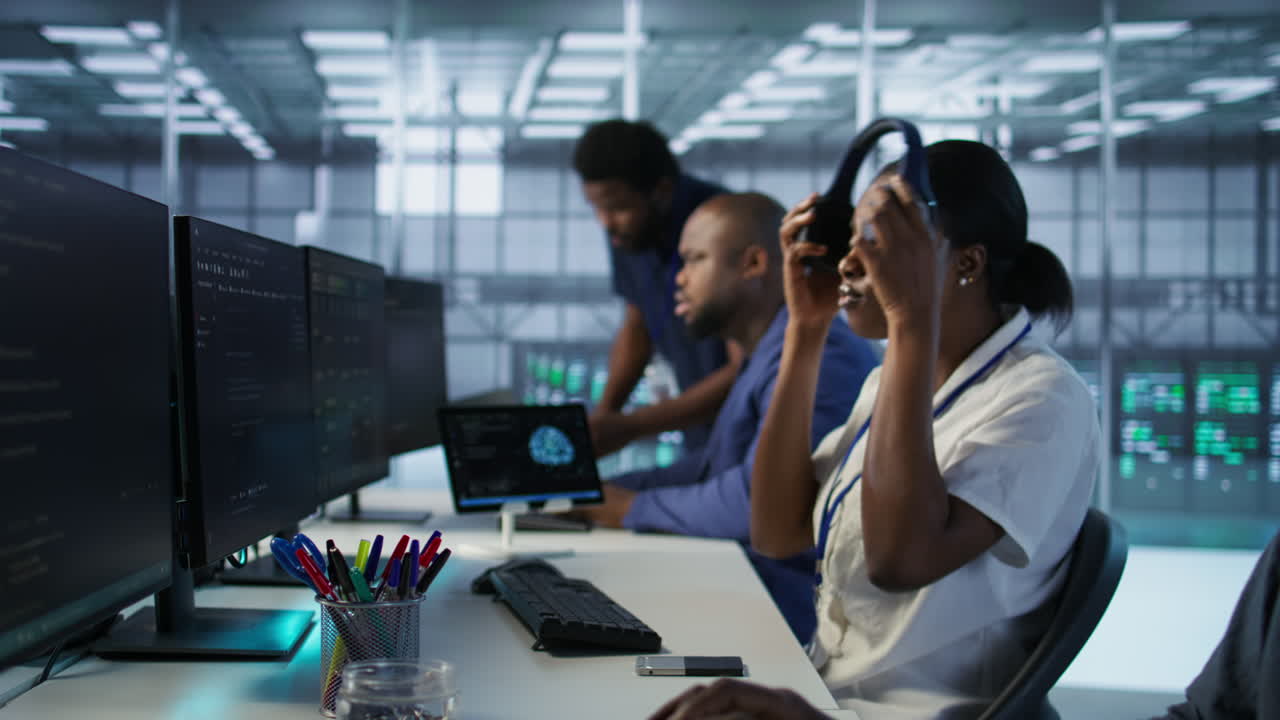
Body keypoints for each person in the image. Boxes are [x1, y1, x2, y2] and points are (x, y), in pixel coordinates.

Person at [650, 139, 1099, 720]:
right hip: (829, 696)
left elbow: (899, 560)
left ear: (966, 264)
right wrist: (806, 329)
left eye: (882, 245)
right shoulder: (891, 380)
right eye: (853, 240)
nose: (849, 262)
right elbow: (777, 531)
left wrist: (910, 320)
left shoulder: (1044, 398)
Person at [570, 192, 878, 642]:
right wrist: (612, 494)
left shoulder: (820, 356)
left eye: (694, 260)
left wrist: (632, 507)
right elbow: (712, 467)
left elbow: (752, 501)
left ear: (753, 264)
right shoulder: (766, 354)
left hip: (792, 609)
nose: (679, 279)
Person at [572, 119, 739, 457]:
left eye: (617, 208)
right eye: (597, 208)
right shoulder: (628, 234)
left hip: (747, 429)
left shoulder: (723, 226)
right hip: (699, 433)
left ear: (662, 191)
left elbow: (745, 369)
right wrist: (605, 418)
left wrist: (632, 426)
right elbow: (638, 325)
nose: (605, 222)